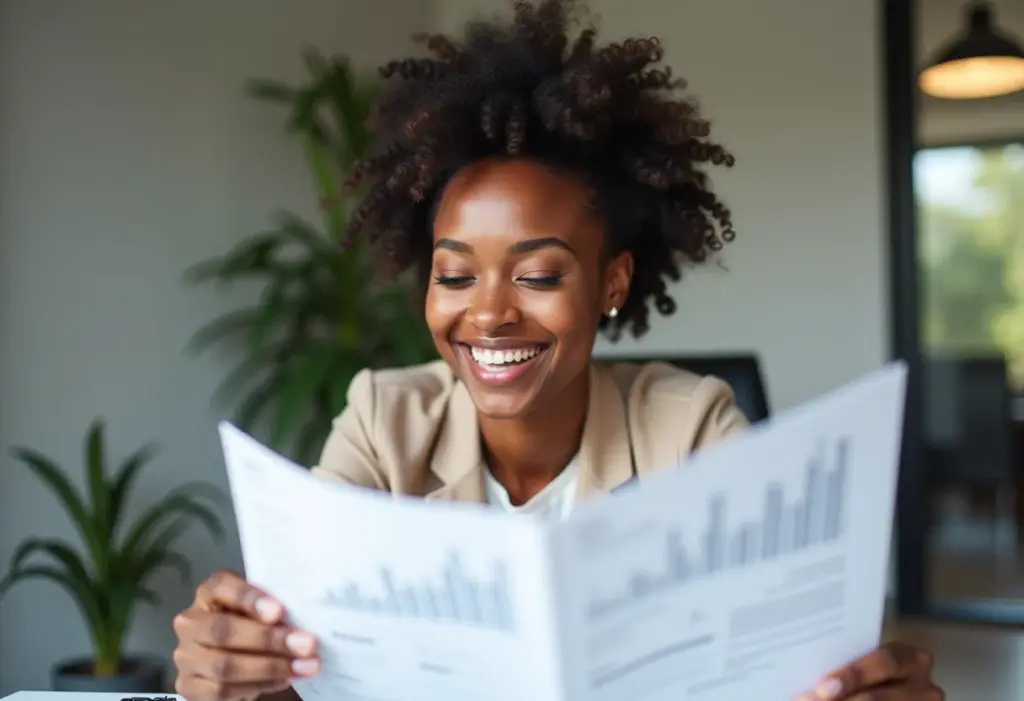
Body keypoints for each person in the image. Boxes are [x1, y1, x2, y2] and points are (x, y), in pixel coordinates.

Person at [171, 2, 943, 700]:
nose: (489, 314)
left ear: (612, 282)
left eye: (538, 275)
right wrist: (239, 670)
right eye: (455, 275)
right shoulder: (383, 419)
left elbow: (774, 658)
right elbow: (307, 664)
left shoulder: (691, 427)